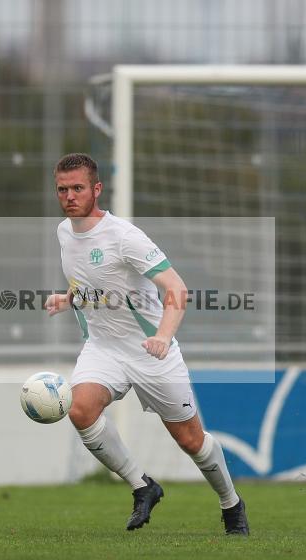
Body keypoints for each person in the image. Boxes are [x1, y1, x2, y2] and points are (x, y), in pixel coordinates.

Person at [44, 153, 249, 535]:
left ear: (96, 190)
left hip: (151, 350)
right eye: (62, 189)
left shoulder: (124, 236)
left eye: (78, 188)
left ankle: (231, 504)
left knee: (191, 441)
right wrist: (67, 298)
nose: (69, 196)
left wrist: (163, 336)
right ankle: (143, 486)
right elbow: (88, 280)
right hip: (103, 347)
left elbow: (177, 288)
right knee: (80, 410)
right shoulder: (63, 233)